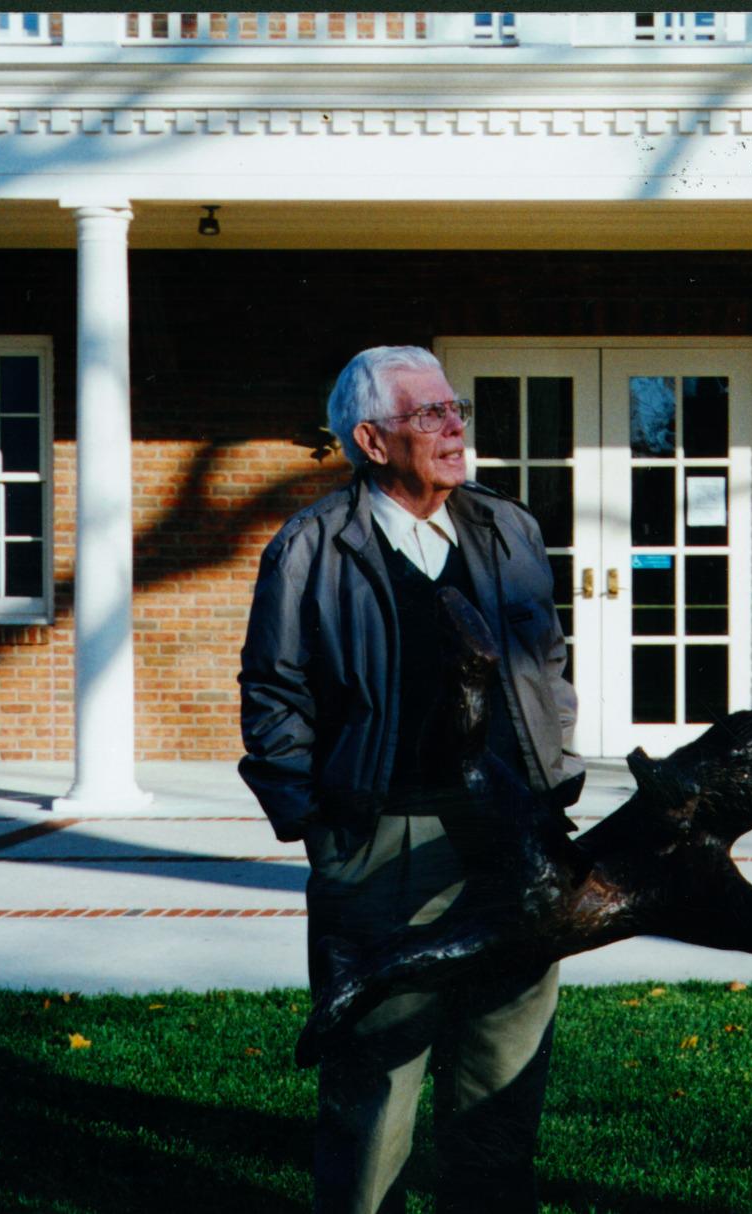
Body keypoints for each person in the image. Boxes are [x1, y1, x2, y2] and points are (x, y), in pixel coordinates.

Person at [239, 345, 583, 1214]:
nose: (455, 426)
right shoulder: (312, 547)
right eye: (428, 414)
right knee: (373, 1103)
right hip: (380, 842)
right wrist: (320, 828)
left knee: (503, 1097)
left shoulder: (510, 529)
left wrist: (555, 777)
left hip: (514, 839)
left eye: (455, 408)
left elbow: (546, 659)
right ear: (371, 439)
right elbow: (273, 693)